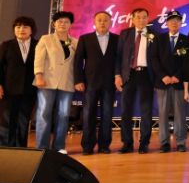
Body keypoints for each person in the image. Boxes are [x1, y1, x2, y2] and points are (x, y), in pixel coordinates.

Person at [73, 11, 118, 155]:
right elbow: (78, 61)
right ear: (94, 22)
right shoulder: (85, 38)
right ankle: (87, 146)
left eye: (105, 20)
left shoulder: (117, 39)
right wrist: (78, 80)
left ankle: (104, 145)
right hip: (90, 82)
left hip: (109, 83)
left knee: (107, 114)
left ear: (110, 22)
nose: (102, 22)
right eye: (99, 20)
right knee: (88, 114)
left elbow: (120, 61)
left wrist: (119, 78)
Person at [34, 11, 78, 154]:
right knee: (44, 113)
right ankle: (42, 146)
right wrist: (39, 75)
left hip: (67, 81)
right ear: (54, 24)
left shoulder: (75, 42)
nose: (63, 24)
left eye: (66, 22)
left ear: (70, 24)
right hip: (46, 81)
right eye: (60, 21)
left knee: (64, 115)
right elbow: (39, 59)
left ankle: (59, 146)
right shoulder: (46, 39)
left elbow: (78, 64)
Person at [115, 8, 157, 154]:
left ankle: (144, 143)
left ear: (148, 19)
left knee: (146, 111)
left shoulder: (155, 35)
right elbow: (118, 56)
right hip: (129, 75)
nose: (141, 20)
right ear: (132, 19)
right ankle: (127, 143)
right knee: (126, 110)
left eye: (144, 17)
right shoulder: (125, 34)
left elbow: (157, 58)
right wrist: (117, 75)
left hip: (146, 75)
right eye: (138, 17)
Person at [151, 10, 189, 153]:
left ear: (181, 23)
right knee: (162, 114)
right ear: (166, 23)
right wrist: (163, 76)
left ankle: (180, 142)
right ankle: (164, 143)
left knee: (180, 114)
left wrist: (177, 76)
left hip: (179, 83)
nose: (174, 23)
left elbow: (187, 61)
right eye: (171, 20)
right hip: (162, 83)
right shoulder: (158, 39)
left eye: (177, 20)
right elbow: (153, 59)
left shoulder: (186, 40)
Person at [0, 16, 38, 148]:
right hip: (8, 90)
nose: (21, 29)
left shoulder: (38, 45)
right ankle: (5, 147)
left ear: (32, 30)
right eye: (18, 27)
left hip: (29, 90)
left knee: (23, 120)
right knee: (6, 120)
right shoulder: (6, 45)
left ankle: (21, 148)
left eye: (25, 27)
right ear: (14, 30)